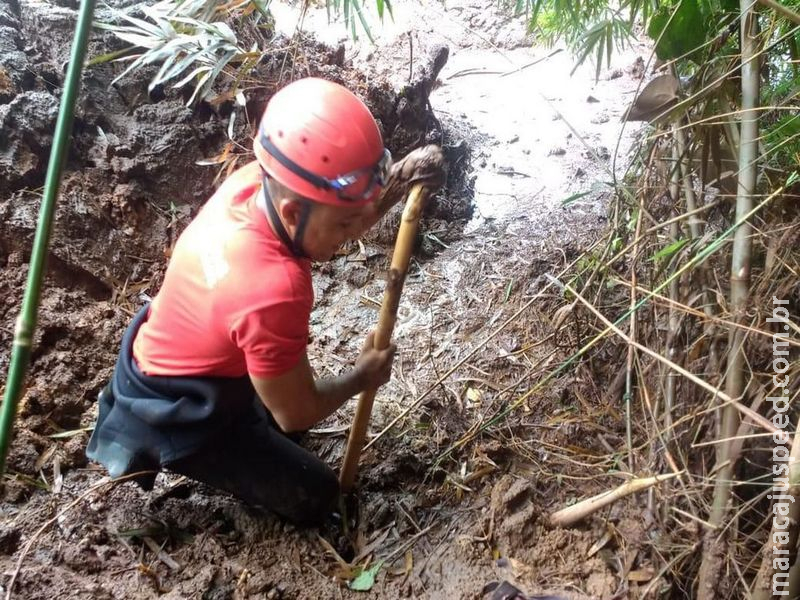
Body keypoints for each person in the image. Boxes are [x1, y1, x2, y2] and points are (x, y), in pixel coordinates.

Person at [86, 77, 444, 525]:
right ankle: (184, 450)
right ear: (294, 213)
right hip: (179, 407)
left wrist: (399, 180)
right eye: (343, 227)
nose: (350, 238)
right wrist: (362, 376)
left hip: (173, 352)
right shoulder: (274, 287)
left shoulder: (257, 183)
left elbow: (339, 209)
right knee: (316, 492)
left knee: (288, 425)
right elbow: (295, 412)